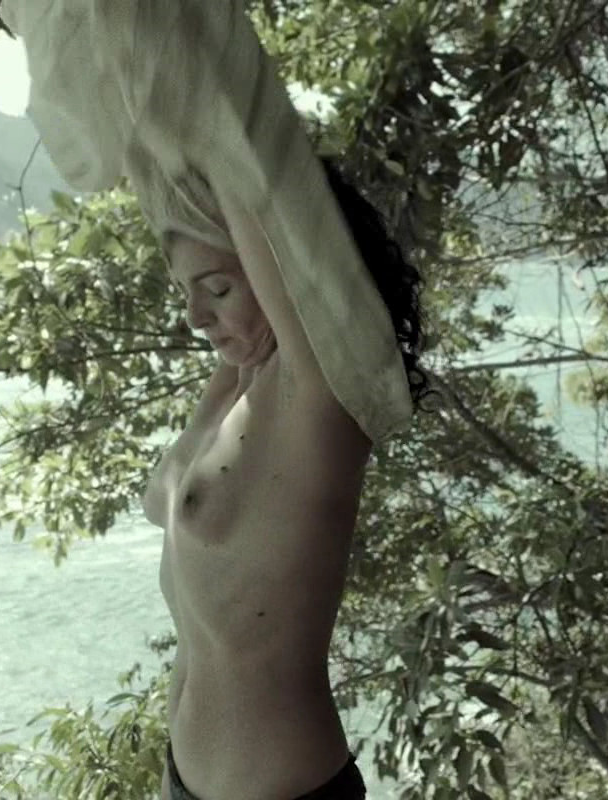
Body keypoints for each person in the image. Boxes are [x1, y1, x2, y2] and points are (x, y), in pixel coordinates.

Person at [138, 156, 428, 800]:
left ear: (287, 275)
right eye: (186, 291)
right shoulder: (238, 385)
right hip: (183, 781)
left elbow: (254, 183)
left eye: (218, 290)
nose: (195, 315)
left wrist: (203, 121)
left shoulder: (319, 396)